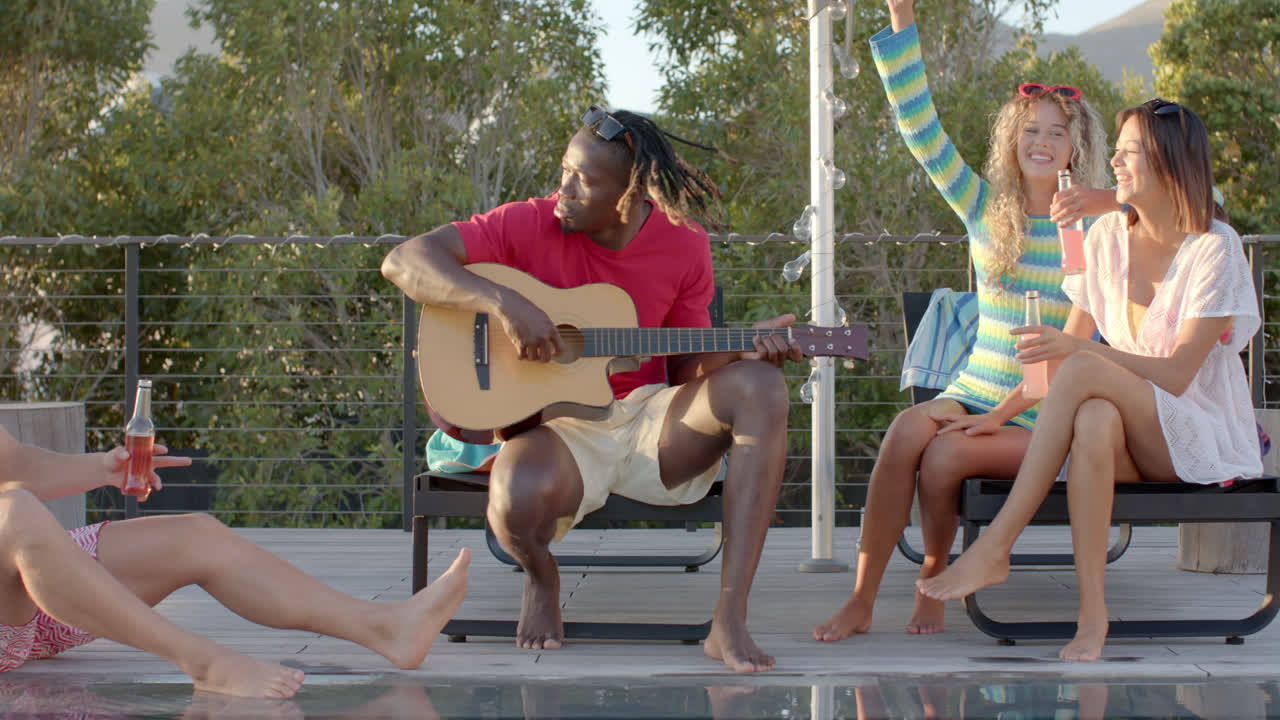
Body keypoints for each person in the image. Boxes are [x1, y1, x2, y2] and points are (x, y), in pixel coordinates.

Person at [382, 105, 802, 673]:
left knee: (761, 388)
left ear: (628, 195)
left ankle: (729, 619)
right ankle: (542, 579)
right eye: (565, 170)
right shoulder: (528, 222)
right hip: (560, 430)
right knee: (513, 497)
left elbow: (685, 374)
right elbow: (404, 260)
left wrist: (742, 351)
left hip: (648, 419)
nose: (564, 188)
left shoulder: (684, 244)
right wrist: (505, 304)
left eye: (583, 180)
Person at [813, 0, 1115, 642]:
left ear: (1076, 146)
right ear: (1012, 138)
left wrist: (1103, 199)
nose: (1041, 141)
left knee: (946, 456)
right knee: (902, 434)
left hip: (1044, 408)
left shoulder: (1094, 227)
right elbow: (921, 131)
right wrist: (903, 24)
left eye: (1057, 132)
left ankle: (932, 577)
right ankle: (862, 598)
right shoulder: (984, 206)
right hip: (973, 388)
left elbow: (1184, 201)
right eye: (1031, 129)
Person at [918, 99, 1260, 662]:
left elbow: (1176, 375)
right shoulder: (1103, 241)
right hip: (1127, 434)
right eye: (1119, 150)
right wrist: (997, 417)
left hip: (1195, 436)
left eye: (1129, 152)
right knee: (1094, 418)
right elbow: (1060, 361)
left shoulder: (1214, 249)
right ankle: (1092, 615)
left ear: (1170, 163)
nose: (1115, 164)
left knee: (1085, 369)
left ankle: (997, 544)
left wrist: (1079, 351)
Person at [0, 426, 470, 697]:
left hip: (23, 587)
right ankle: (204, 662)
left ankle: (387, 629)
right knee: (15, 512)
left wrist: (100, 468)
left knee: (194, 536)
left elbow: (15, 465)